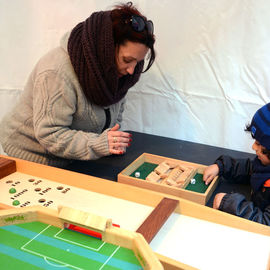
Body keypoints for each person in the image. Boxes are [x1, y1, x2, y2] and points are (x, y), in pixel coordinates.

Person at [0, 2, 155, 168]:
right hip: (31, 155)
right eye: (127, 60)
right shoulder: (56, 71)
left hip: (75, 158)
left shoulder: (121, 74)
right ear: (106, 49)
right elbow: (50, 134)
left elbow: (114, 119)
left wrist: (104, 141)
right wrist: (98, 144)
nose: (132, 71)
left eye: (137, 63)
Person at [203, 103, 270, 225]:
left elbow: (265, 223)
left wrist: (228, 203)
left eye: (261, 146)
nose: (253, 147)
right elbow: (251, 169)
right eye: (255, 141)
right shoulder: (265, 166)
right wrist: (222, 166)